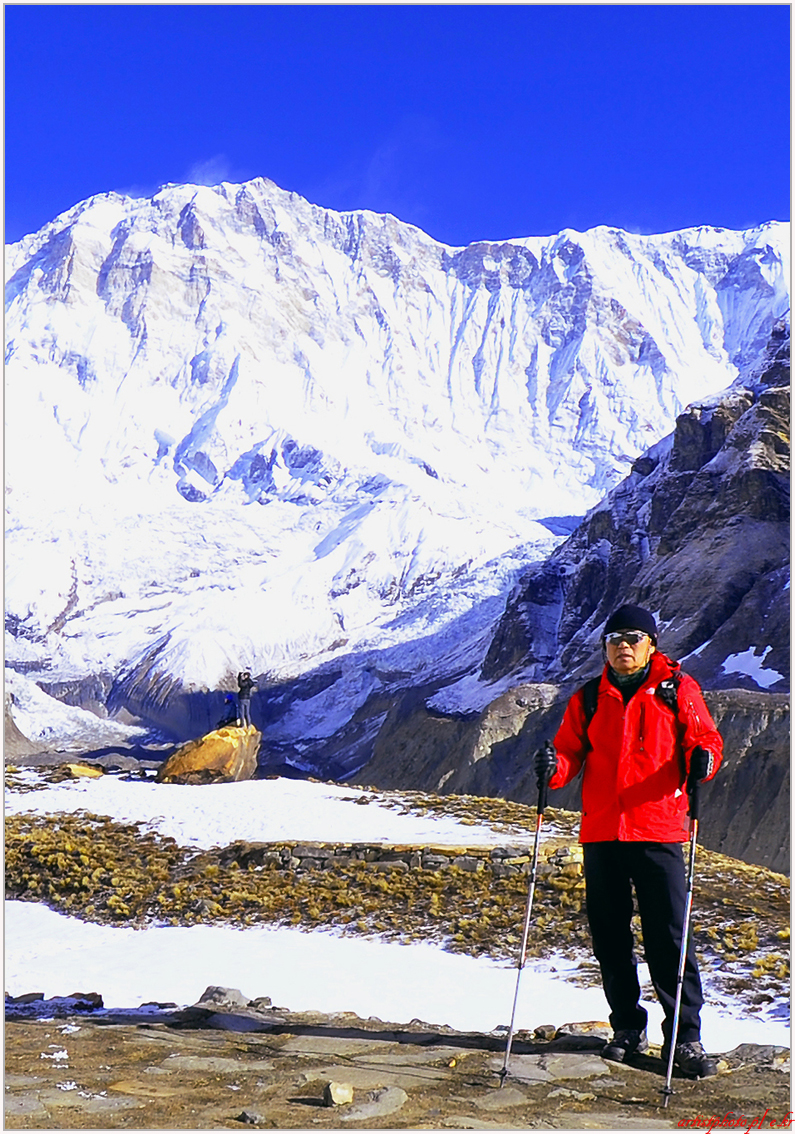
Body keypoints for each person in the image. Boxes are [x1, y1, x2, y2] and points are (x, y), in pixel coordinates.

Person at [535, 604, 722, 1078]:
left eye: (633, 638)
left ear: (651, 645)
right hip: (603, 832)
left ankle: (685, 1038)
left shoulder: (677, 689)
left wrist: (704, 759)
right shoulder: (589, 697)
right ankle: (626, 1027)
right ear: (605, 647)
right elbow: (570, 753)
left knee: (669, 937)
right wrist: (552, 768)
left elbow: (706, 740)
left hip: (658, 829)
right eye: (615, 638)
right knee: (611, 937)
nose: (623, 646)